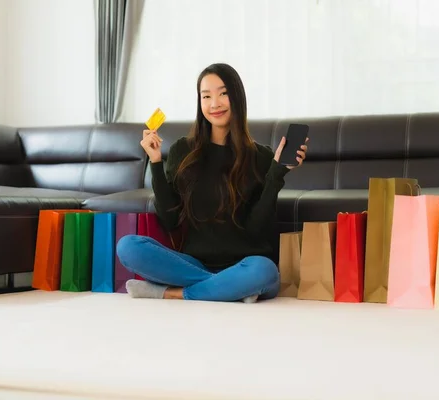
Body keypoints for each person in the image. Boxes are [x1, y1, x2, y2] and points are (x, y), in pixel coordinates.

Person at [116, 63, 308, 303]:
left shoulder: (261, 156)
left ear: (237, 97)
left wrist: (276, 173)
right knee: (128, 246)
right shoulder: (182, 150)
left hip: (247, 264)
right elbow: (170, 219)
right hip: (194, 262)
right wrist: (155, 162)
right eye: (206, 96)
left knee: (264, 271)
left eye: (223, 93)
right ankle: (227, 289)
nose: (214, 103)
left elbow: (257, 229)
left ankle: (174, 293)